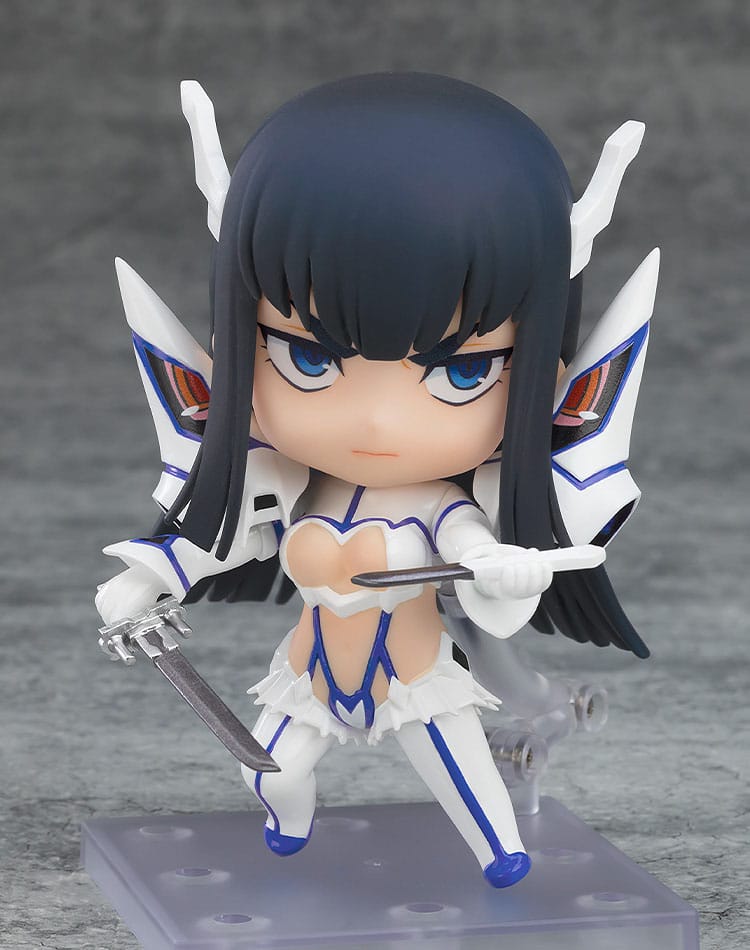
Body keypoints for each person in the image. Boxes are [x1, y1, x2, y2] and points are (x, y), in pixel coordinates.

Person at [96, 73, 658, 888]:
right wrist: (143, 578)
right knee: (267, 771)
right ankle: (289, 825)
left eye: (463, 371)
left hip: (415, 671)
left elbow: (478, 556)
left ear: (546, 369)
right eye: (309, 358)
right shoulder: (286, 485)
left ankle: (502, 856)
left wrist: (506, 571)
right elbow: (219, 539)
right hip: (310, 672)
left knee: (462, 776)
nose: (378, 423)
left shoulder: (443, 508)